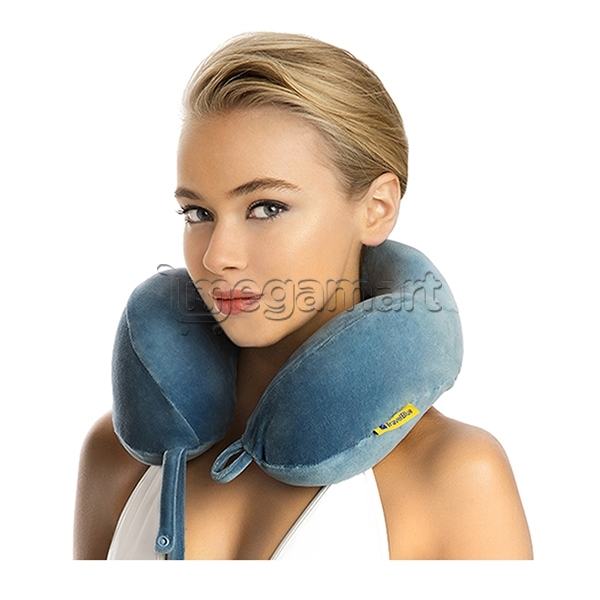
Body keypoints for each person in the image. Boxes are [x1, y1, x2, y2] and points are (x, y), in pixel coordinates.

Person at [73, 31, 533, 560]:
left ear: (377, 209)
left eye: (266, 208)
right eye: (198, 213)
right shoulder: (118, 456)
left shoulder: (455, 478)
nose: (217, 256)